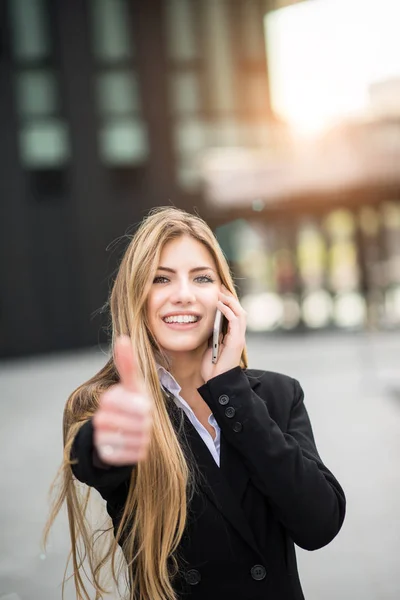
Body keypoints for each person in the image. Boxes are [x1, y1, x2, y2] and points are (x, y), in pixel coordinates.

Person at [44, 206, 346, 600]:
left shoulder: (277, 394)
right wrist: (108, 439)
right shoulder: (105, 403)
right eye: (160, 279)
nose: (183, 295)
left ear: (224, 297)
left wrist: (229, 388)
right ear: (137, 293)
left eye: (201, 278)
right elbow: (95, 458)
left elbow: (319, 524)